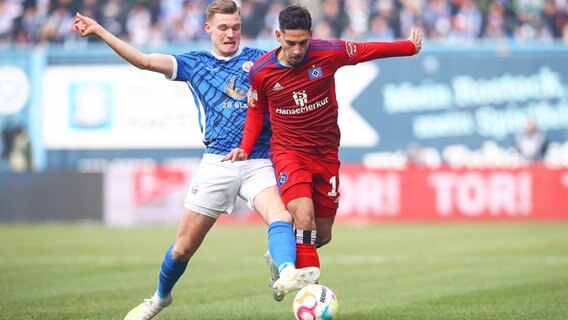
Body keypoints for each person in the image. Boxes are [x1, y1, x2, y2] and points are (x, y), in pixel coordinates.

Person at [74, 1, 319, 319]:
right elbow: (145, 61)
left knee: (282, 218)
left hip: (259, 160)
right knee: (183, 248)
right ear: (208, 29)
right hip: (217, 164)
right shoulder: (195, 63)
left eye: (235, 27)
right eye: (223, 28)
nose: (230, 34)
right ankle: (159, 298)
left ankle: (285, 272)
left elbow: (303, 57)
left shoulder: (261, 60)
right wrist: (99, 31)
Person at [224, 5, 422, 272]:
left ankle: (282, 254)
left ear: (311, 35)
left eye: (303, 43)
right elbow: (257, 112)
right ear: (278, 36)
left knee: (322, 234)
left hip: (326, 154)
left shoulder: (328, 52)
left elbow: (366, 51)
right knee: (304, 218)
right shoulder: (261, 72)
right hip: (289, 153)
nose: (297, 50)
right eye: (291, 43)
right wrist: (245, 148)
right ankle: (310, 295)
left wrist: (408, 47)